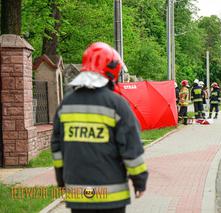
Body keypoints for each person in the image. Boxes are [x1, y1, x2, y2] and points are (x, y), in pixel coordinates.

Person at [51, 42, 148, 213]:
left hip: (78, 194)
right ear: (113, 70)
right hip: (111, 197)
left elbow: (57, 149)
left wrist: (61, 179)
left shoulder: (66, 104)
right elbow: (132, 149)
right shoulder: (117, 105)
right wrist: (139, 181)